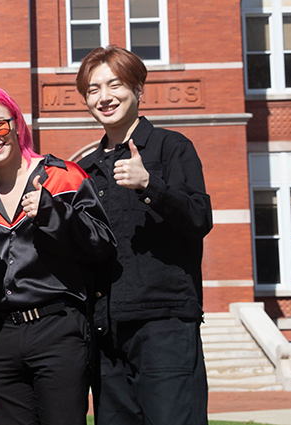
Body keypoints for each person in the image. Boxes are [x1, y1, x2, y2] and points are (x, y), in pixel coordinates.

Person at [0, 86, 116, 425]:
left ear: (17, 125)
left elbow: (103, 245)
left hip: (58, 331)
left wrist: (54, 213)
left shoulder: (63, 177)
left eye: (0, 125)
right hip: (1, 339)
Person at [75, 45, 213, 425]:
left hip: (163, 324)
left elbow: (199, 217)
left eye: (114, 85)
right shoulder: (85, 170)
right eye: (93, 89)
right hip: (106, 331)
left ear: (138, 89)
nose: (104, 97)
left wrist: (150, 184)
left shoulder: (172, 148)